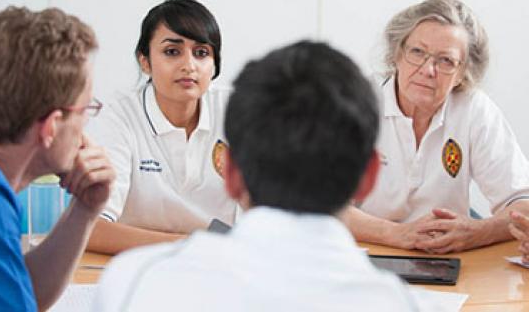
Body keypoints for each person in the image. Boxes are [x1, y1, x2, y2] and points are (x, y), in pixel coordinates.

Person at [92, 41, 429, 311]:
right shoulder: (402, 303)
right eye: (172, 51)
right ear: (368, 177)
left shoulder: (134, 282)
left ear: (231, 174)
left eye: (201, 52)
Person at [0, 7, 115, 311]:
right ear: (52, 126)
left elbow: (15, 293)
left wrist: (85, 209)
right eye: (86, 109)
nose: (85, 127)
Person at [342, 0, 529, 254]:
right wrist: (397, 234)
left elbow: (522, 200)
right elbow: (319, 204)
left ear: (463, 73)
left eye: (446, 61)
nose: (428, 69)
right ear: (397, 54)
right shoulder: (357, 102)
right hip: (367, 252)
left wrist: (479, 232)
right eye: (417, 52)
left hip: (447, 257)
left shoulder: (474, 108)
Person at [85, 0, 238, 255]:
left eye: (201, 53)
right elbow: (91, 228)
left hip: (218, 268)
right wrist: (192, 246)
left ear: (214, 65)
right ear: (144, 61)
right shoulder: (118, 116)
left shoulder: (236, 110)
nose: (189, 65)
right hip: (134, 266)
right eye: (172, 51)